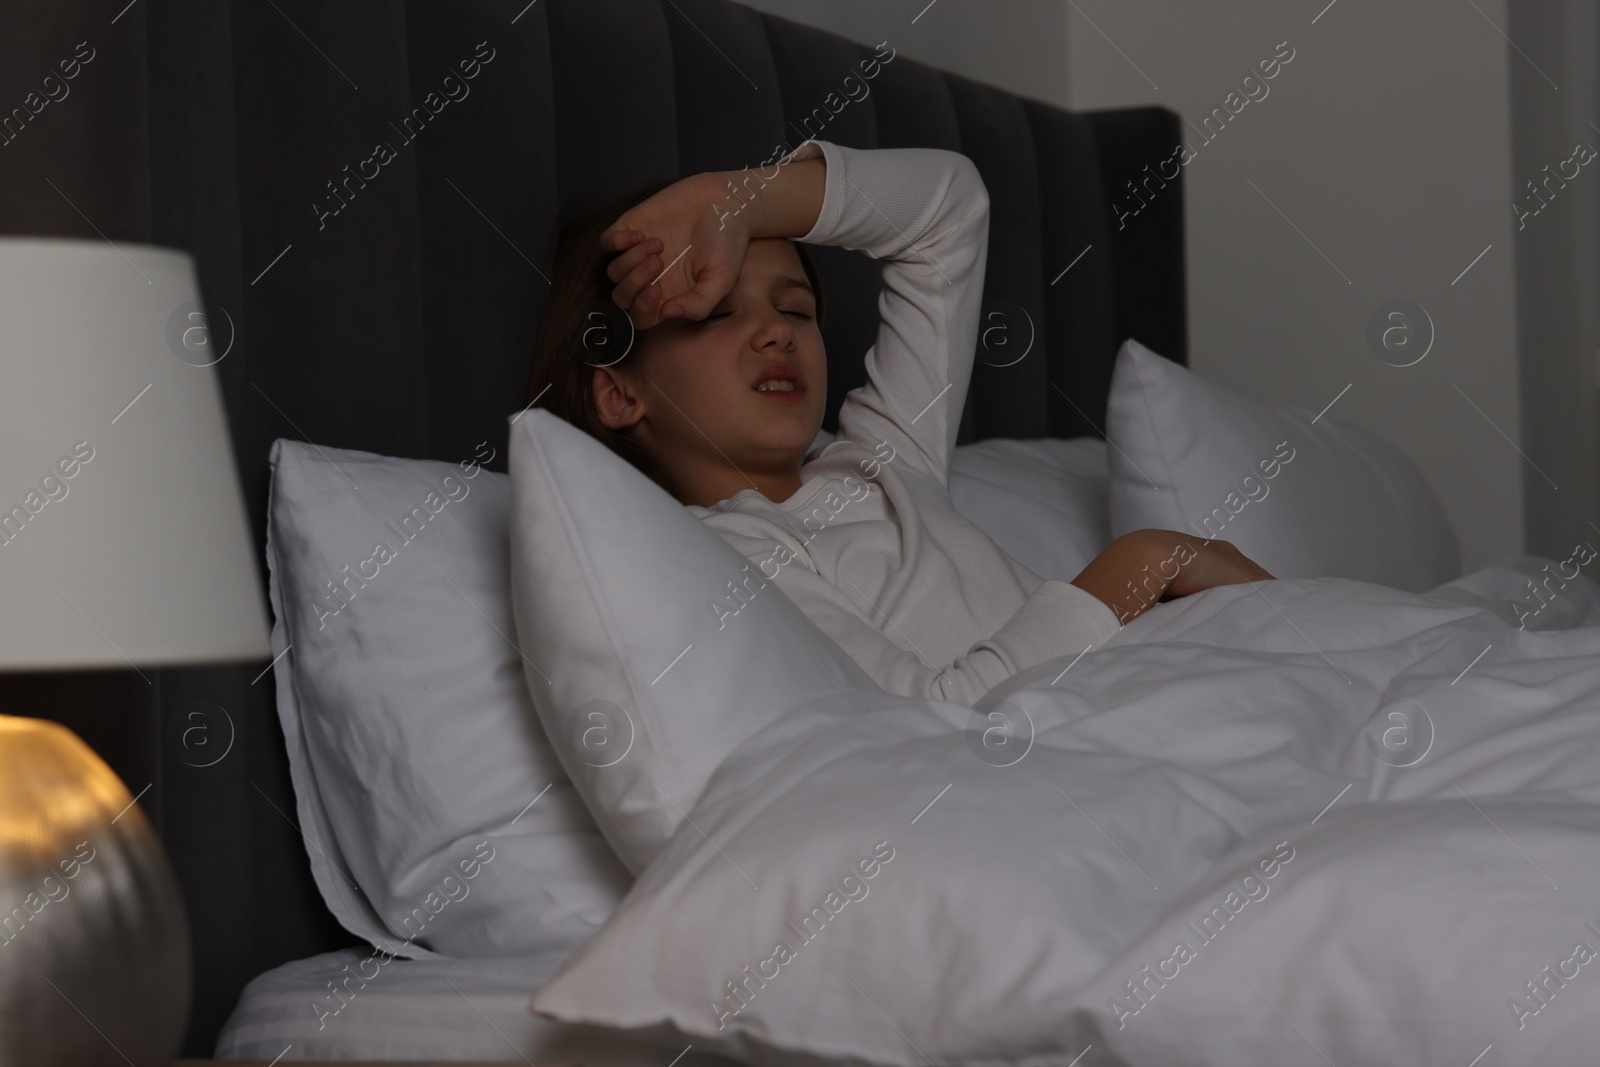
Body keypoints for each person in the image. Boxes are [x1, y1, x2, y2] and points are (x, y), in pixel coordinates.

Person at [525, 138, 1271, 703]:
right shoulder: (727, 556)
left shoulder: (883, 460)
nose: (777, 332)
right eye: (718, 312)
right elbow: (931, 725)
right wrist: (1140, 565)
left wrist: (740, 201)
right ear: (620, 393)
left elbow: (949, 210)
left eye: (796, 308)